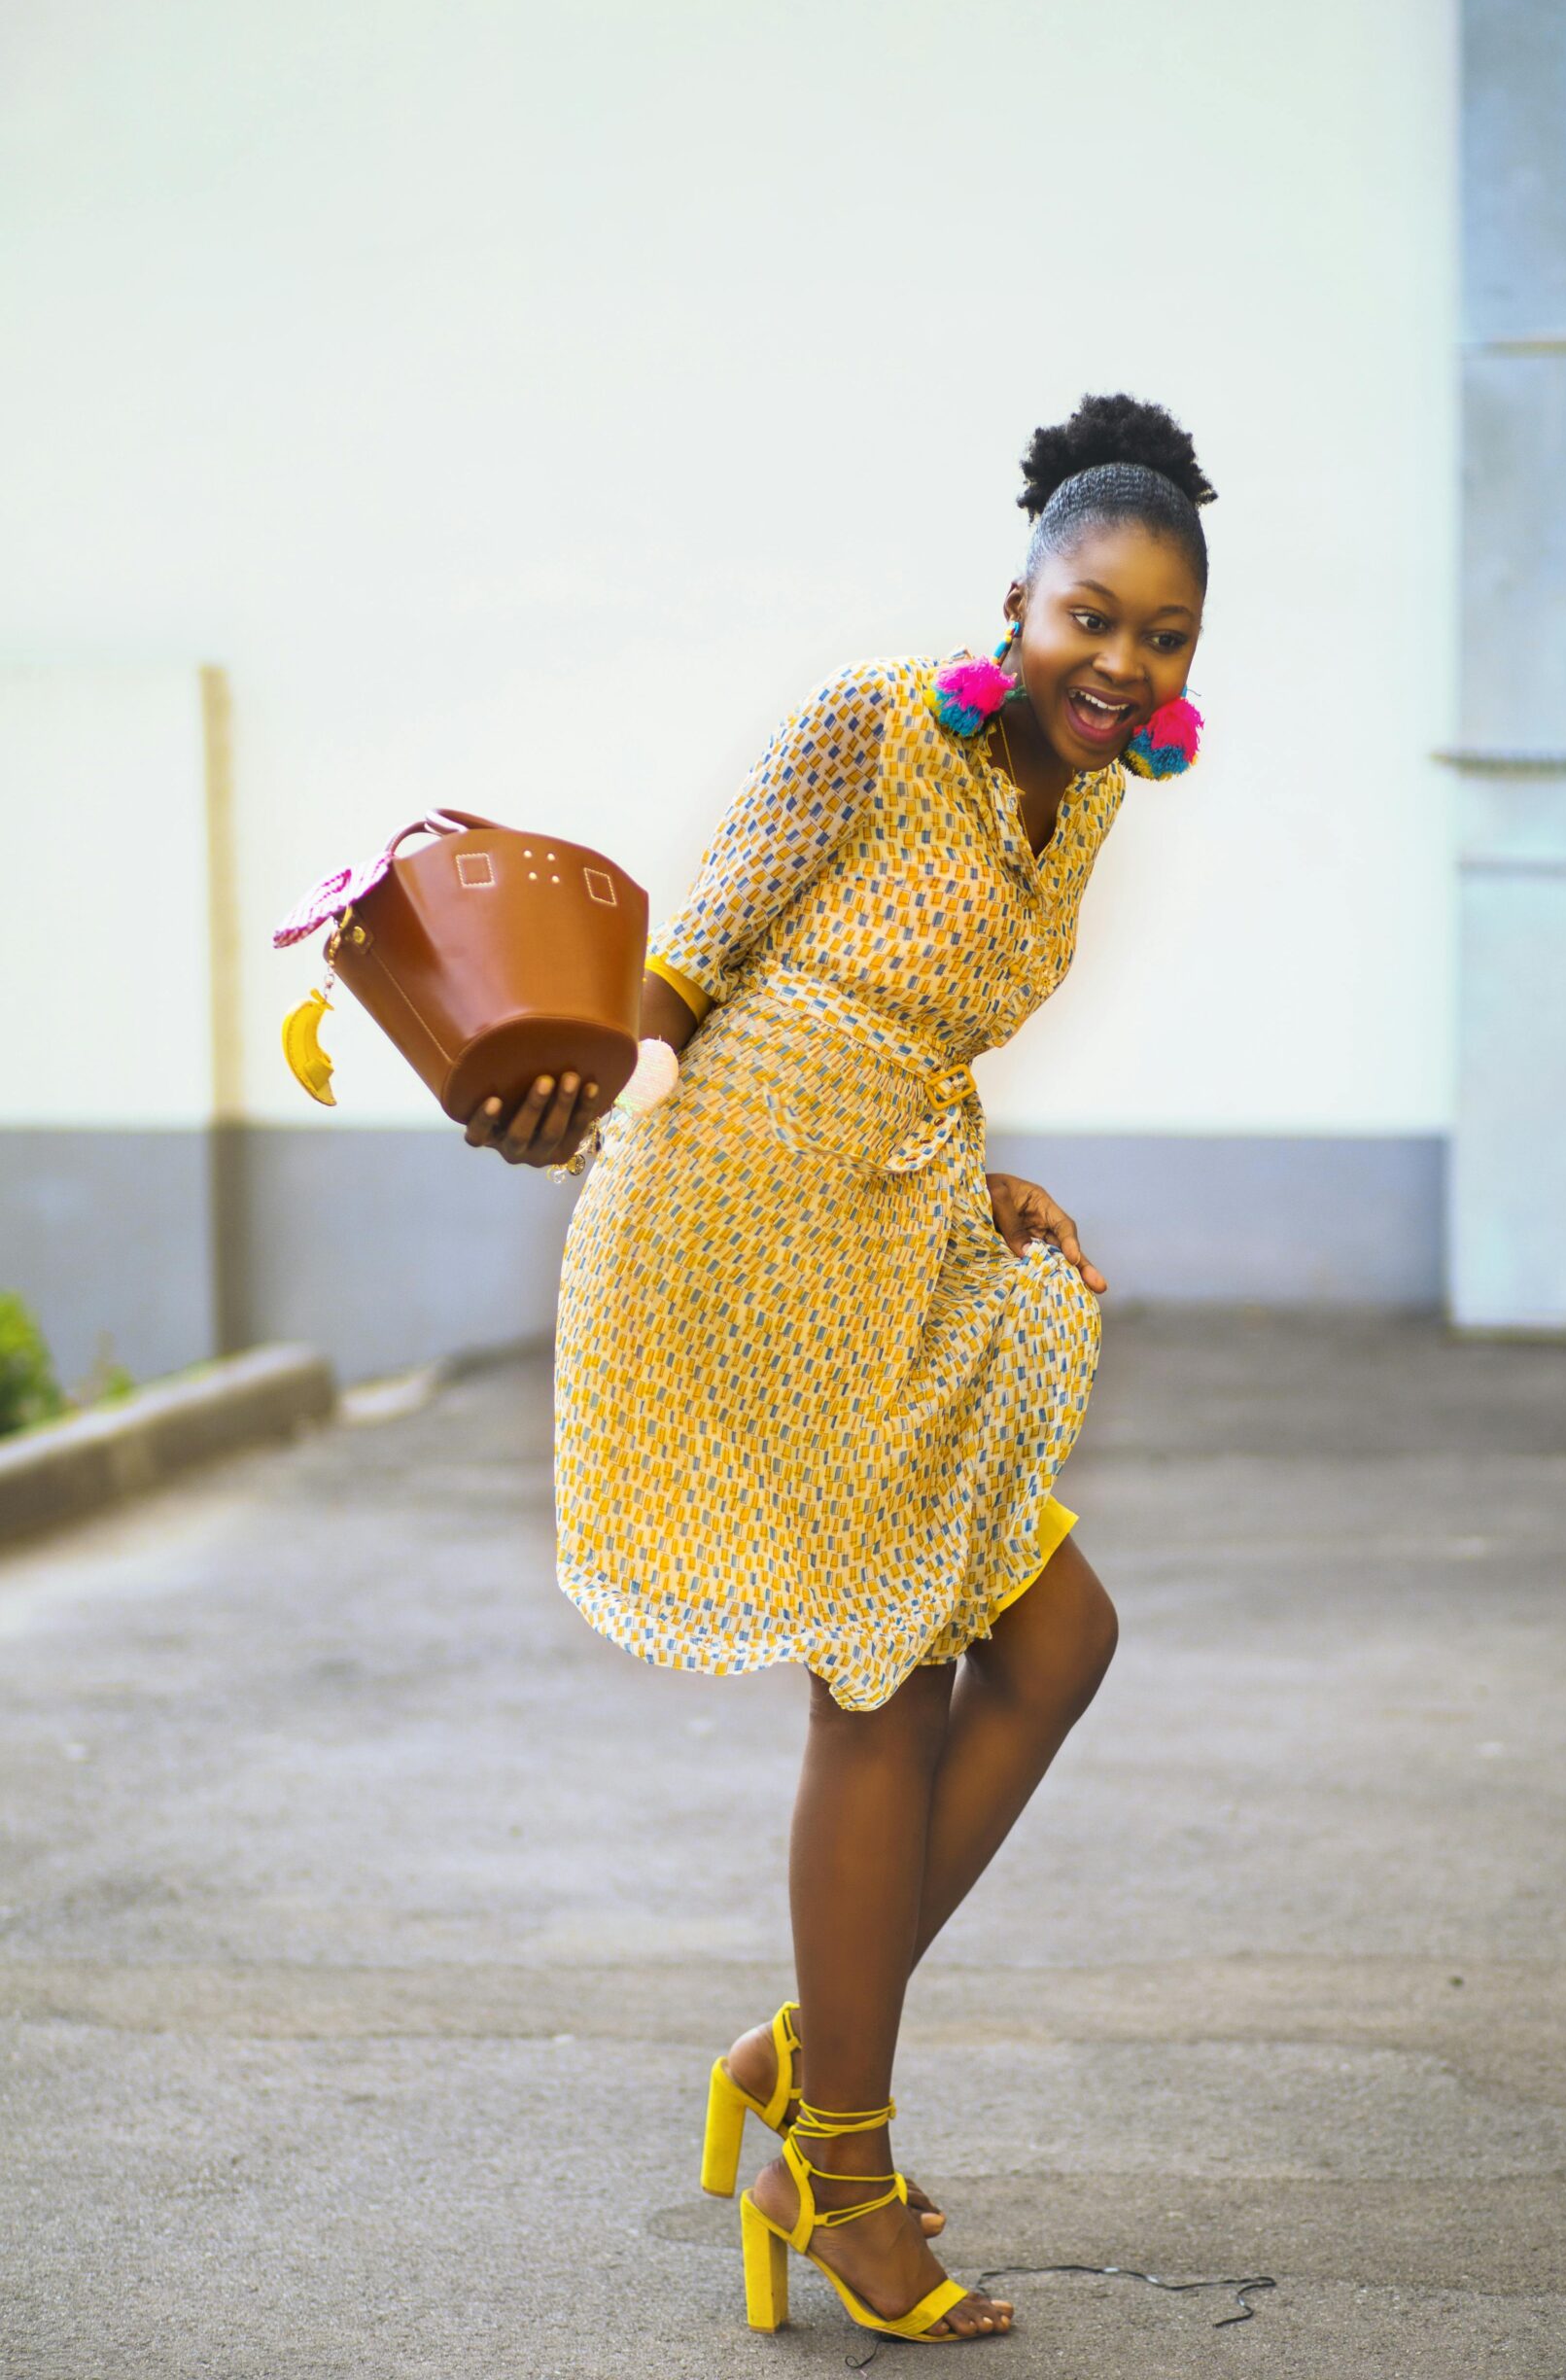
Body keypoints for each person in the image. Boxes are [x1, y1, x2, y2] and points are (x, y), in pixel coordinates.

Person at [466, 391, 1215, 2344]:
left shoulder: (1094, 792)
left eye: (1161, 636)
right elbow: (689, 963)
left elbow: (915, 1015)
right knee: (881, 1682)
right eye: (1090, 616)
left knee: (1051, 1641)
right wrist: (563, 1074)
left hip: (896, 1225)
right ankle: (842, 2165)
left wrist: (981, 1172)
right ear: (1015, 601)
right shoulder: (874, 725)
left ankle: (800, 2055)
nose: (1119, 664)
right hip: (736, 1229)